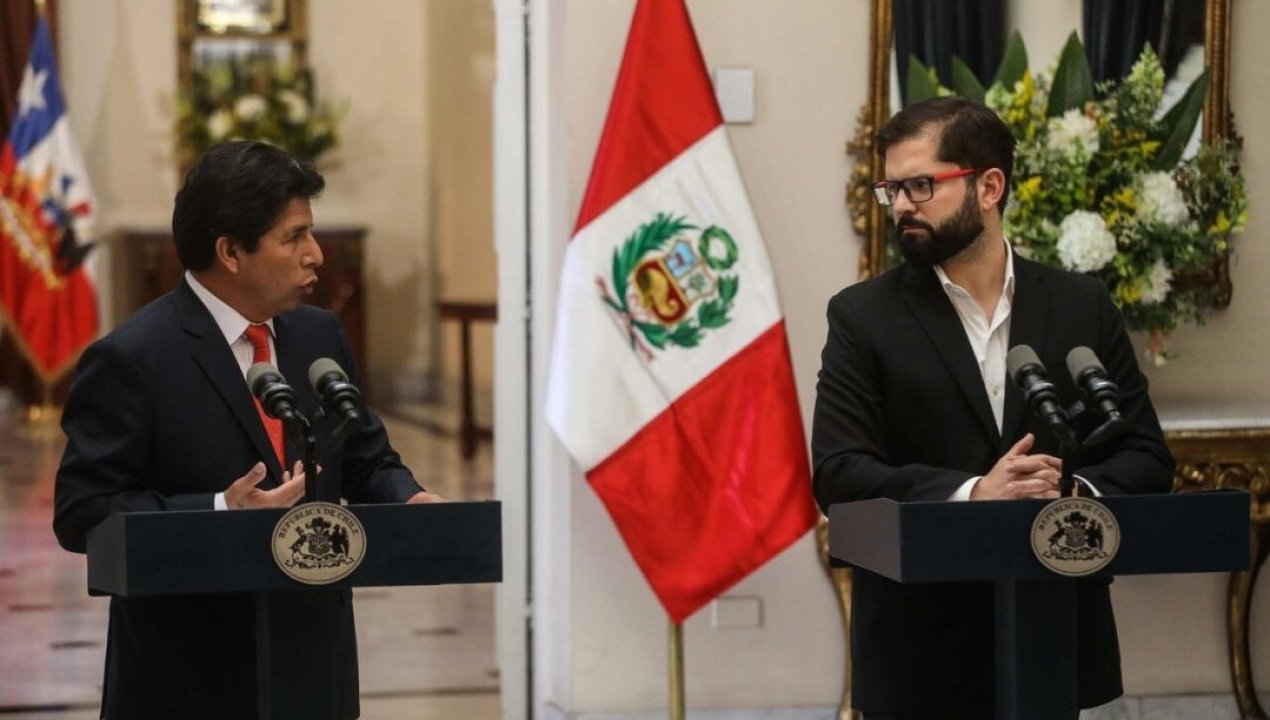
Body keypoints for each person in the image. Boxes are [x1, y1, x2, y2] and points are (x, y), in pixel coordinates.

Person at [811, 97, 1174, 719]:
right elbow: (840, 473)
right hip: (919, 646)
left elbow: (1146, 456)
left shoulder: (1081, 304)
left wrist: (1070, 494)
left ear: (989, 187)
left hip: (1054, 635)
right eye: (892, 190)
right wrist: (975, 493)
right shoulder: (861, 317)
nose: (901, 206)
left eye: (920, 185)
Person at [52, 140, 443, 719]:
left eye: (312, 233)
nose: (315, 255)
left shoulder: (320, 336)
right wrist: (219, 510)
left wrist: (409, 499)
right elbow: (82, 512)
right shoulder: (134, 358)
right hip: (185, 680)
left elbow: (366, 457)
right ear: (231, 251)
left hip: (312, 667)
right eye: (295, 237)